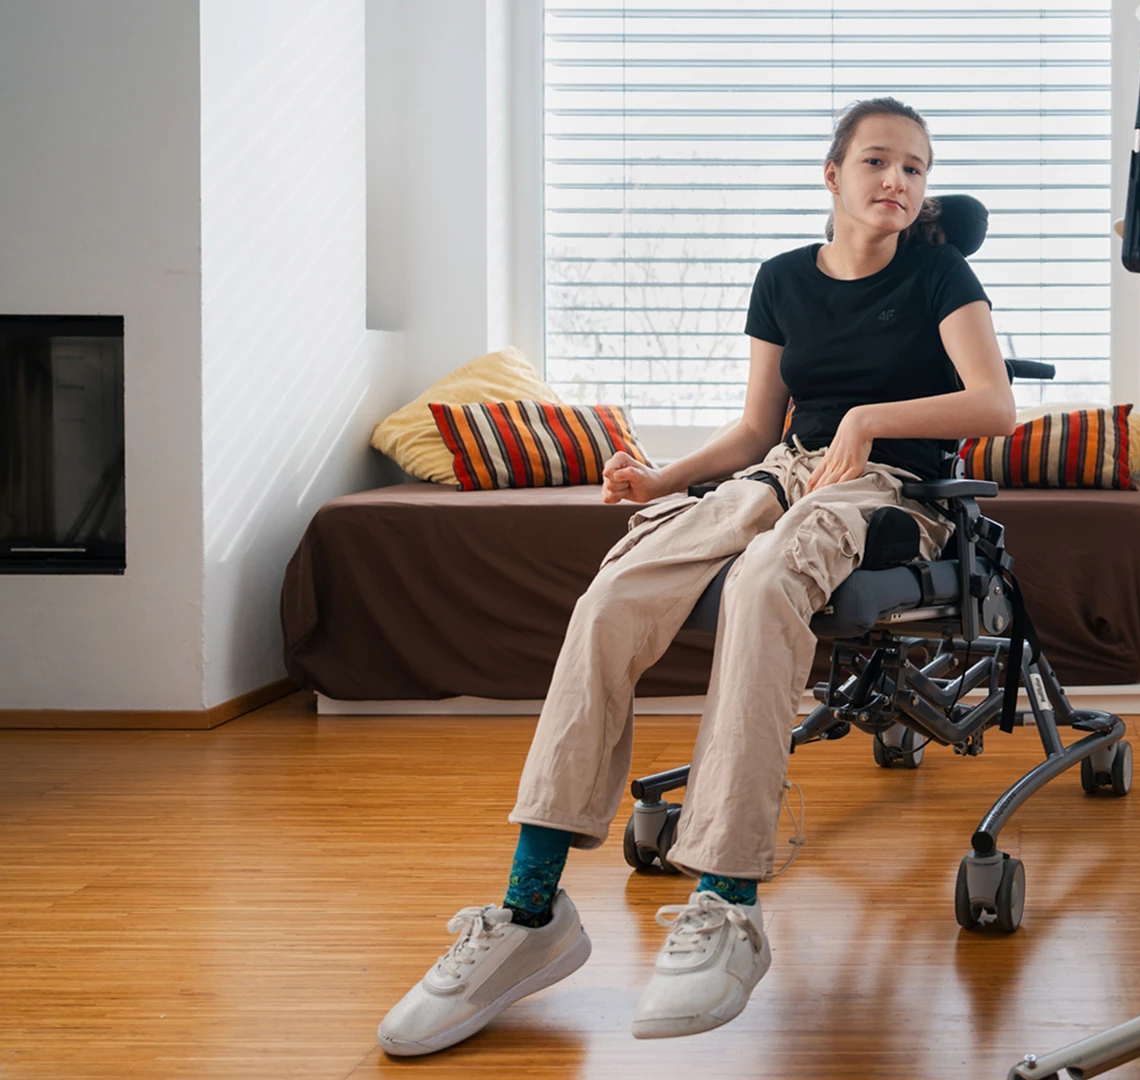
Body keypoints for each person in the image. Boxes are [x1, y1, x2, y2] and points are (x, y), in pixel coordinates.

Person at [376, 96, 1016, 1056]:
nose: (898, 181)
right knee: (614, 596)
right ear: (832, 174)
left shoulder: (939, 273)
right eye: (878, 161)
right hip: (780, 472)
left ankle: (727, 899)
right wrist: (658, 479)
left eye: (916, 170)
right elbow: (758, 430)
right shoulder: (781, 281)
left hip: (888, 487)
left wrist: (867, 418)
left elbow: (995, 404)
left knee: (764, 586)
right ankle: (529, 910)